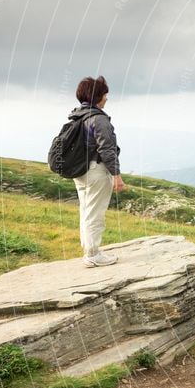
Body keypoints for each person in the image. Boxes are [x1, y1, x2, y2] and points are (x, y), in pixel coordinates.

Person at [68, 76, 126, 267]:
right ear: (97, 96)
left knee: (86, 210)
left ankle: (89, 249)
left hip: (81, 171)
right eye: (104, 94)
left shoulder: (77, 115)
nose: (106, 98)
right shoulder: (99, 119)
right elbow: (106, 150)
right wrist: (116, 176)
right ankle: (93, 254)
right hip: (96, 171)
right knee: (96, 213)